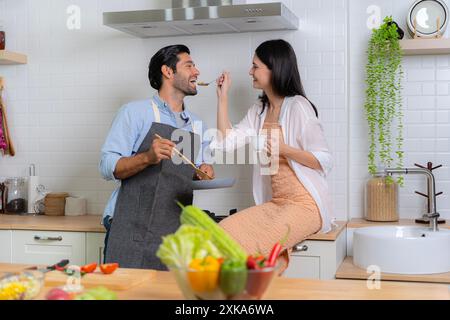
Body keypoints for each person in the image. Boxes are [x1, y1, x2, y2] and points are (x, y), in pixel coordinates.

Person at [211, 39, 332, 271]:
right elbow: (226, 142)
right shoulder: (259, 111)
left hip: (306, 206)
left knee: (248, 253)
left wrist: (284, 149)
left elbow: (324, 160)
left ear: (274, 69)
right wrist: (222, 98)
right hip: (277, 203)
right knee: (220, 235)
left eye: (255, 66)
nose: (250, 71)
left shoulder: (299, 107)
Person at [99, 44, 214, 270]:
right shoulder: (134, 112)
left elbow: (199, 169)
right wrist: (147, 157)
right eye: (189, 65)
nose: (197, 71)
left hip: (173, 232)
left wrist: (204, 171)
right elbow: (106, 166)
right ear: (168, 72)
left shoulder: (198, 124)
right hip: (129, 226)